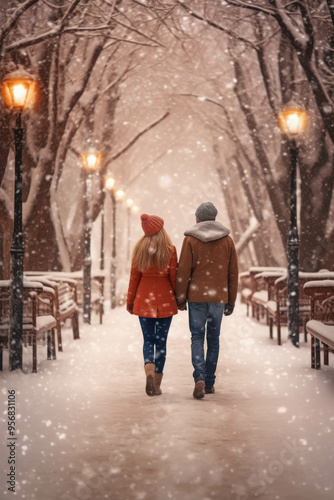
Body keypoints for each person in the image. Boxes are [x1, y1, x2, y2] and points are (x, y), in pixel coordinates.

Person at [175, 202, 238, 399]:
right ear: (214, 218)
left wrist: (180, 298)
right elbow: (233, 273)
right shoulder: (227, 241)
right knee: (213, 339)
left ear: (197, 219)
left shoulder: (190, 240)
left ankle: (199, 377)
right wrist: (231, 300)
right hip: (218, 297)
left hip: (196, 297)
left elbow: (183, 271)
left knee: (196, 337)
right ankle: (209, 382)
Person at [126, 213, 178, 397]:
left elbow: (134, 278)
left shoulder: (139, 250)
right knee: (161, 343)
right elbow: (174, 278)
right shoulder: (170, 250)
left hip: (143, 300)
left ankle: (148, 370)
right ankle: (156, 384)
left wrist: (130, 301)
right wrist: (178, 299)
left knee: (148, 339)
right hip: (165, 301)